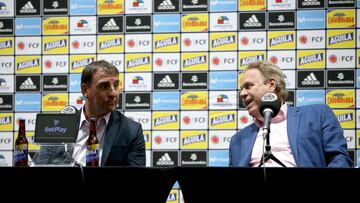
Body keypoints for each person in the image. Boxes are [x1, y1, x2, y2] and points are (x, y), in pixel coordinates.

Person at [229, 60, 353, 167]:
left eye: (248, 86)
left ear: (271, 84)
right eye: (241, 89)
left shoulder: (318, 115)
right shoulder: (237, 140)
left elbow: (340, 159)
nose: (242, 94)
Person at [37, 60, 145, 166]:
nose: (113, 93)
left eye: (116, 85)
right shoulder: (58, 127)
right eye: (104, 86)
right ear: (85, 90)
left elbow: (135, 180)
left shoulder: (132, 131)